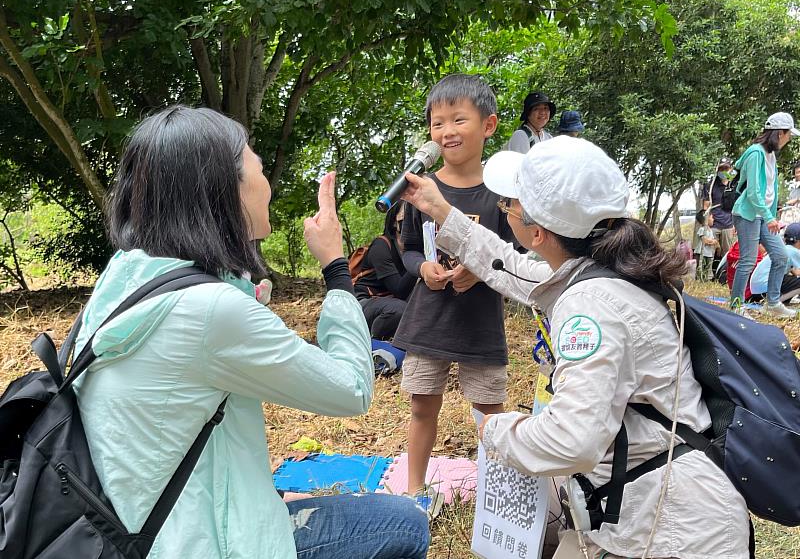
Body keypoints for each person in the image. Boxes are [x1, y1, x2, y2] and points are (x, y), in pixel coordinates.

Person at [72, 106, 429, 559]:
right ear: (224, 192)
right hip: (195, 544)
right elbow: (352, 390)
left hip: (138, 525)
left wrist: (269, 496)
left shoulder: (127, 275)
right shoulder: (209, 311)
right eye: (257, 168)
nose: (268, 185)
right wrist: (337, 271)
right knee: (405, 523)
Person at [400, 136, 750, 558]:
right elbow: (510, 269)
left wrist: (494, 430)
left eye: (510, 204)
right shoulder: (604, 271)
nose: (506, 209)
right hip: (647, 501)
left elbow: (571, 441)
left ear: (539, 232)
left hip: (669, 532)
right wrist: (441, 210)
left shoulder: (591, 306)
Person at [391, 74, 517, 500]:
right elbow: (407, 249)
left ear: (489, 125)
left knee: (489, 411)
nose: (446, 132)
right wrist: (422, 267)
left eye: (458, 120)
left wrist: (481, 270)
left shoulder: (500, 195)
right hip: (430, 318)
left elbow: (513, 256)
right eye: (437, 123)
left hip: (480, 322)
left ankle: (499, 495)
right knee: (422, 404)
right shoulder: (421, 189)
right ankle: (413, 489)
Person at [730, 111, 799, 317]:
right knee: (748, 260)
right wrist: (768, 217)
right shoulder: (755, 153)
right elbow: (753, 192)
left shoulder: (770, 156)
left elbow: (770, 191)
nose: (789, 140)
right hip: (747, 214)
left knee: (781, 256)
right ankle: (736, 306)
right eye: (788, 135)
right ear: (780, 133)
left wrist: (771, 216)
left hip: (762, 216)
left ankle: (773, 303)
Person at [355, 202, 416, 339]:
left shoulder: (411, 249)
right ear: (395, 221)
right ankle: (373, 344)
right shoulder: (381, 246)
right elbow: (399, 290)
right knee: (399, 310)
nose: (413, 219)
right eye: (408, 214)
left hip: (391, 302)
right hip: (363, 303)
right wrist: (419, 260)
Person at [748, 223, 800, 306]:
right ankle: (774, 303)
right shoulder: (794, 251)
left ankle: (776, 301)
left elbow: (796, 272)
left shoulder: (784, 249)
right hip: (765, 290)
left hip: (756, 292)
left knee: (791, 278)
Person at [701, 159, 737, 258]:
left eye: (726, 169)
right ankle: (707, 272)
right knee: (710, 254)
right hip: (714, 224)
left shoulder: (733, 185)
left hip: (728, 224)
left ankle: (723, 273)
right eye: (722, 169)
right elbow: (706, 206)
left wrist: (735, 224)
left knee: (726, 254)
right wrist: (706, 222)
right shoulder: (710, 185)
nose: (724, 172)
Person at [694, 210, 718, 281]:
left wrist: (713, 242)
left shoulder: (710, 230)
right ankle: (699, 279)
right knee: (700, 267)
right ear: (707, 218)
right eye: (712, 217)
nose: (713, 219)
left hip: (708, 253)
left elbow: (714, 240)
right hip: (701, 253)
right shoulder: (702, 229)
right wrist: (712, 242)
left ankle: (705, 279)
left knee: (707, 267)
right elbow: (705, 240)